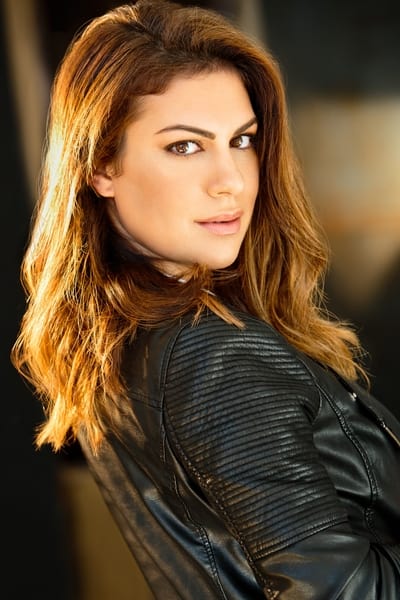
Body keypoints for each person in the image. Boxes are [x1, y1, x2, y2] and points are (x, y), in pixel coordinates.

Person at [11, 0, 400, 598]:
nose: (232, 181)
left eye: (242, 140)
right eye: (185, 147)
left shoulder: (110, 341)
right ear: (101, 164)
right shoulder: (214, 356)